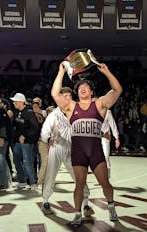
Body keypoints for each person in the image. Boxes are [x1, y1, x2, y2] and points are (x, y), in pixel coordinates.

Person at [51, 62, 122, 227]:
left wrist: (107, 72)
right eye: (80, 87)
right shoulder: (71, 106)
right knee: (79, 184)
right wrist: (61, 71)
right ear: (77, 92)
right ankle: (77, 215)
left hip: (95, 151)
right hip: (79, 152)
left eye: (86, 86)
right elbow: (55, 93)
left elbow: (117, 90)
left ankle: (111, 206)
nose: (82, 88)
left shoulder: (99, 104)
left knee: (105, 183)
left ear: (91, 91)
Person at [40, 87, 93, 216]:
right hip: (56, 147)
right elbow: (45, 131)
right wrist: (47, 140)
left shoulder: (77, 112)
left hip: (73, 149)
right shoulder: (54, 114)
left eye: (69, 95)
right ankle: (45, 201)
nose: (67, 98)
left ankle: (86, 204)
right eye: (65, 95)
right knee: (50, 176)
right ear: (60, 97)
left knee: (79, 178)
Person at [11, 93, 40, 190]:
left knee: (27, 162)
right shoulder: (17, 112)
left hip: (27, 142)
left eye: (15, 101)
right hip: (17, 142)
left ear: (20, 102)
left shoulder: (29, 112)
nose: (14, 103)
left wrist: (25, 135)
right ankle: (22, 180)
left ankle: (33, 182)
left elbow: (35, 127)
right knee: (16, 160)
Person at [101, 110, 120, 178]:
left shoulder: (108, 112)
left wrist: (116, 138)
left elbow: (113, 125)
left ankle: (106, 177)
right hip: (96, 138)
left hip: (105, 137)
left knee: (105, 156)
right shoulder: (92, 111)